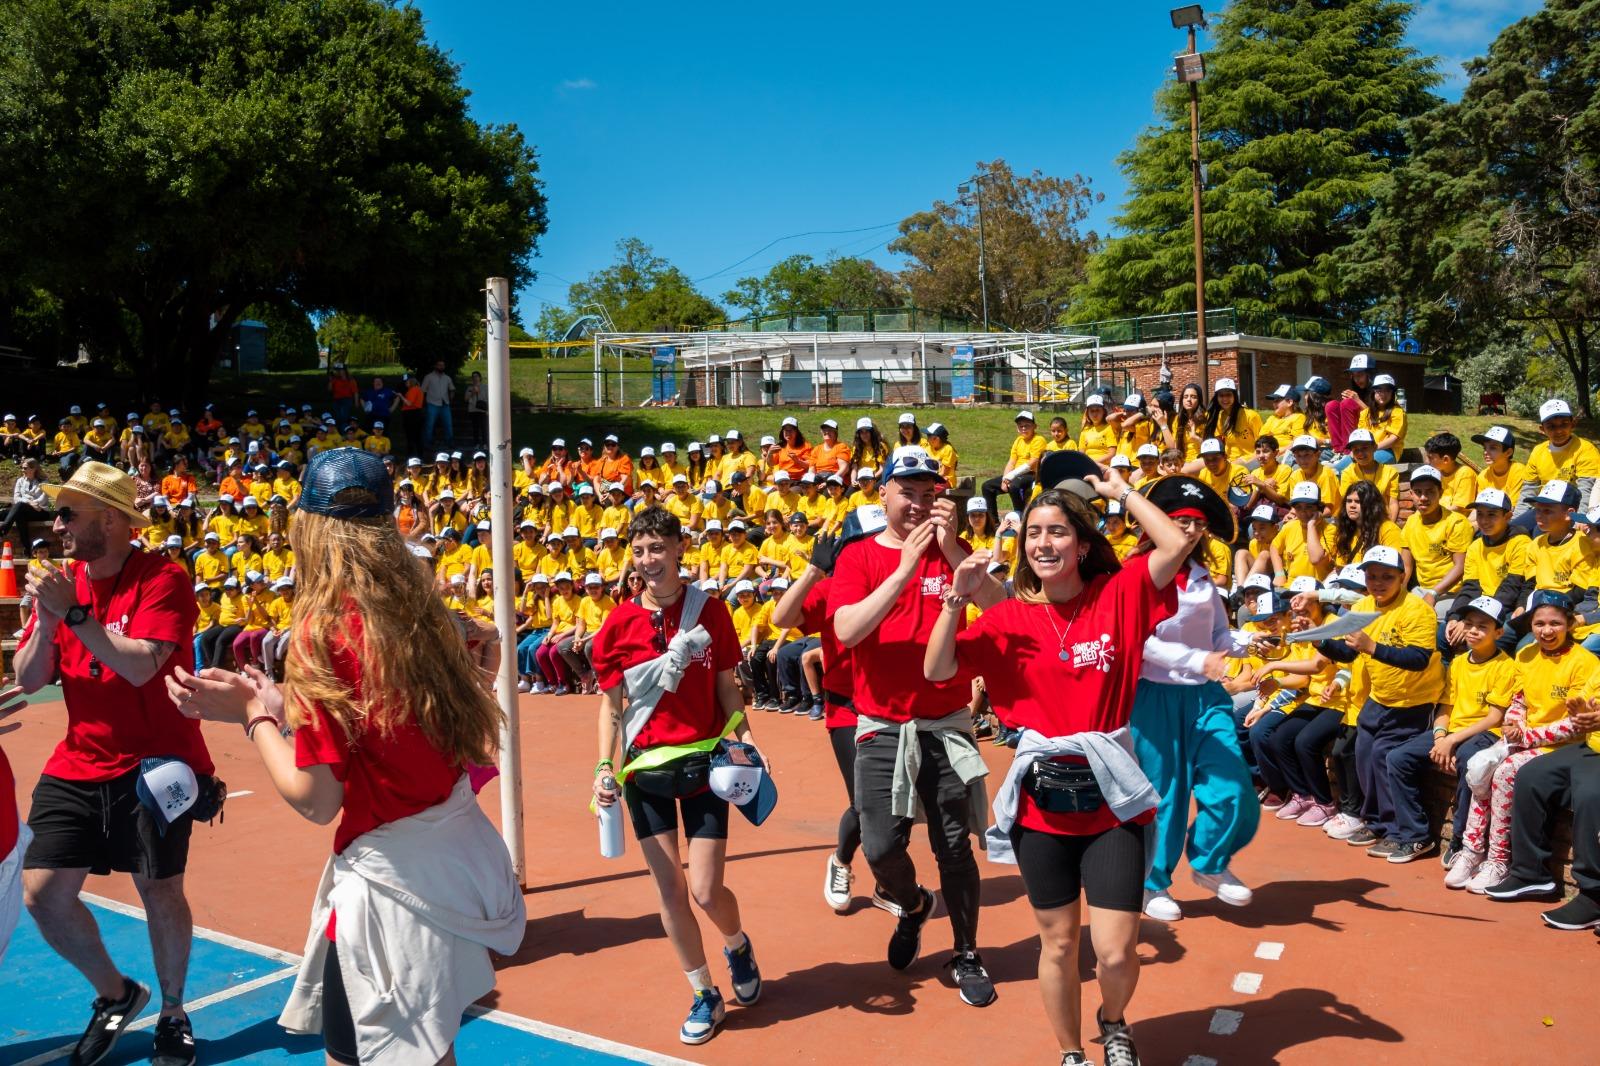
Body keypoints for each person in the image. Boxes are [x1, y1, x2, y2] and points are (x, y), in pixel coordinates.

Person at [168, 447, 523, 1065]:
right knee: (425, 1051)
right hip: (449, 859)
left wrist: (252, 718)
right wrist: (287, 709)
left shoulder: (319, 629)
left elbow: (317, 799)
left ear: (311, 525)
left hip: (390, 881)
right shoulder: (426, 613)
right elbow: (399, 729)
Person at [925, 463, 1188, 1066]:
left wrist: (1121, 492)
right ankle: (1071, 1052)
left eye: (1059, 532)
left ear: (1084, 543)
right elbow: (938, 671)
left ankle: (1113, 1021)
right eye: (1034, 534)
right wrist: (954, 601)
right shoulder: (1010, 617)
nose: (1045, 543)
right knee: (1060, 942)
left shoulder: (1120, 594)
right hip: (1041, 803)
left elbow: (1173, 542)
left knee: (1118, 952)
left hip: (1113, 800)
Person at [15, 460, 209, 1066]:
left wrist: (76, 614)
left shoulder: (162, 578)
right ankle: (116, 993)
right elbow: (27, 681)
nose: (59, 523)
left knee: (159, 889)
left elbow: (141, 665)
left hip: (156, 764)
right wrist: (47, 624)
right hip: (80, 759)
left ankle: (173, 1013)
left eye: (70, 512)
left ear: (115, 521)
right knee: (42, 894)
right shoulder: (62, 583)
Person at [828, 444, 1004, 1006]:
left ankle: (967, 951)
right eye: (907, 492)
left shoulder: (955, 554)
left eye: (930, 494)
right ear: (883, 493)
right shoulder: (857, 557)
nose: (918, 503)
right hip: (880, 725)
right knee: (880, 848)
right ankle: (911, 903)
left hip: (946, 725)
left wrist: (954, 552)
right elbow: (848, 630)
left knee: (955, 847)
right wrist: (905, 568)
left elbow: (1003, 611)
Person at [590, 506, 767, 1045]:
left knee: (707, 891)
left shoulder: (710, 613)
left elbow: (725, 686)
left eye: (658, 549)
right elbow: (612, 707)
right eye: (640, 551)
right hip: (645, 772)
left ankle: (736, 944)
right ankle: (703, 994)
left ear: (678, 548)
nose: (648, 561)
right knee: (670, 892)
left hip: (705, 764)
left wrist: (746, 737)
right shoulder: (618, 623)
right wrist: (604, 764)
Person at [1130, 475, 1263, 922]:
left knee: (1233, 782)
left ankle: (1209, 862)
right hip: (1155, 698)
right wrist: (1197, 659)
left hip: (1205, 697)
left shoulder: (1205, 577)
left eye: (1197, 524)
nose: (1189, 530)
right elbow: (1138, 641)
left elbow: (1219, 635)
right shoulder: (1139, 574)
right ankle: (1152, 884)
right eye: (1180, 521)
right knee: (1164, 793)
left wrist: (1251, 642)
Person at [1314, 545, 1445, 860]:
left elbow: (1418, 658)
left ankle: (1408, 833)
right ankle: (1377, 822)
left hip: (1414, 701)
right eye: (1372, 576)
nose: (1378, 582)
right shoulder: (1362, 605)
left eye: (1387, 576)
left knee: (1387, 759)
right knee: (1364, 756)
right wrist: (1319, 641)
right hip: (1379, 697)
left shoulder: (1417, 610)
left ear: (1402, 577)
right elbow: (1348, 651)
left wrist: (1373, 647)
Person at [0, 457, 51, 541]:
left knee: (20, 506)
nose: (22, 470)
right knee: (18, 514)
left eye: (25, 468)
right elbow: (16, 498)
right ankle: (27, 549)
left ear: (33, 468)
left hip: (40, 511)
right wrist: (29, 502)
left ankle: (3, 529)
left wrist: (26, 502)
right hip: (24, 510)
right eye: (22, 468)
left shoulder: (44, 482)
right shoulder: (20, 481)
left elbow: (43, 500)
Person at [420, 360, 455, 448]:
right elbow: (422, 391)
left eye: (443, 365)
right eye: (439, 365)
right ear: (435, 366)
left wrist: (451, 399)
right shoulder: (428, 377)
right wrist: (423, 403)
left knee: (448, 424)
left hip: (445, 404)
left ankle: (450, 443)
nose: (441, 367)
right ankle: (428, 443)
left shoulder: (447, 378)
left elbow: (452, 389)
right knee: (429, 425)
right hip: (432, 403)